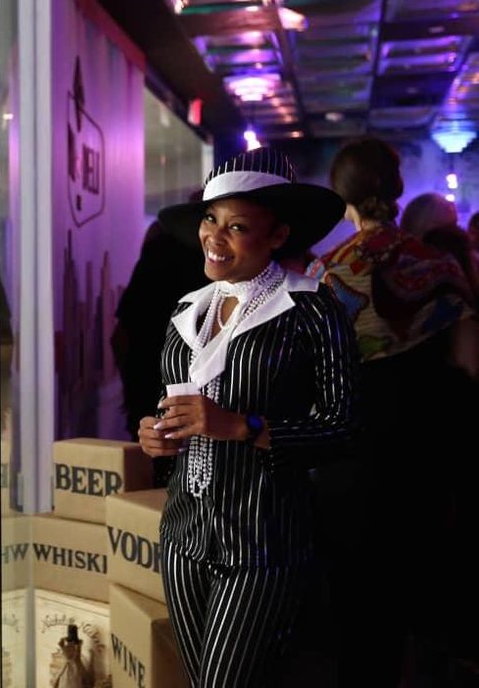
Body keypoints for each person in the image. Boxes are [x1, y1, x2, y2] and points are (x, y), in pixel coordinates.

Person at [137, 147, 358, 687]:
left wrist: (242, 425)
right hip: (184, 534)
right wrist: (154, 437)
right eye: (211, 220)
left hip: (263, 541)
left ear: (277, 235)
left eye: (237, 227)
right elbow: (176, 411)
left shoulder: (311, 308)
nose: (214, 237)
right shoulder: (188, 310)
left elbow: (342, 426)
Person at [307, 137, 476, 687]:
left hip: (349, 460)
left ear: (342, 196)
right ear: (397, 190)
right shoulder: (438, 264)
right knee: (424, 586)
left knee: (359, 604)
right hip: (426, 451)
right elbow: (470, 363)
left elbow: (310, 380)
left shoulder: (327, 275)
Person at [112, 190, 208, 463]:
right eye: (212, 219)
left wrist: (134, 398)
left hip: (154, 394)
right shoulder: (164, 252)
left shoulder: (160, 250)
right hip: (164, 401)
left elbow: (119, 337)